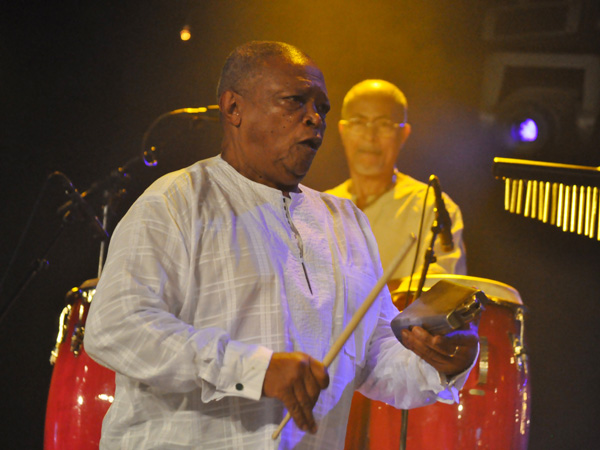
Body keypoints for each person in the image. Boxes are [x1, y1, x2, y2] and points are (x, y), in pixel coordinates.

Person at [84, 41, 478, 449]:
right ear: (233, 109)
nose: (314, 119)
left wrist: (437, 362)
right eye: (294, 101)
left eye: (321, 108)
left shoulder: (347, 223)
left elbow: (376, 358)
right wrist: (254, 369)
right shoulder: (175, 202)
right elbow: (115, 326)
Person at [327, 79, 467, 288]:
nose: (370, 136)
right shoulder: (320, 207)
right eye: (359, 122)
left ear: (403, 134)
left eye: (384, 125)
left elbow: (440, 297)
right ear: (342, 130)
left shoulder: (432, 208)